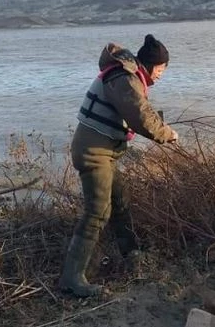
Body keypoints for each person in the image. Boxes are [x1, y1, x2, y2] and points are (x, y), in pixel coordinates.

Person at [59, 34, 179, 297]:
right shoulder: (124, 78)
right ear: (150, 65)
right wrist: (167, 133)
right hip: (94, 154)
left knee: (120, 203)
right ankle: (72, 279)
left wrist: (159, 127)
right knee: (97, 213)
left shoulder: (128, 77)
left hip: (104, 153)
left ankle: (131, 254)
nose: (161, 75)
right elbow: (140, 116)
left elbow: (138, 111)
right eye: (161, 70)